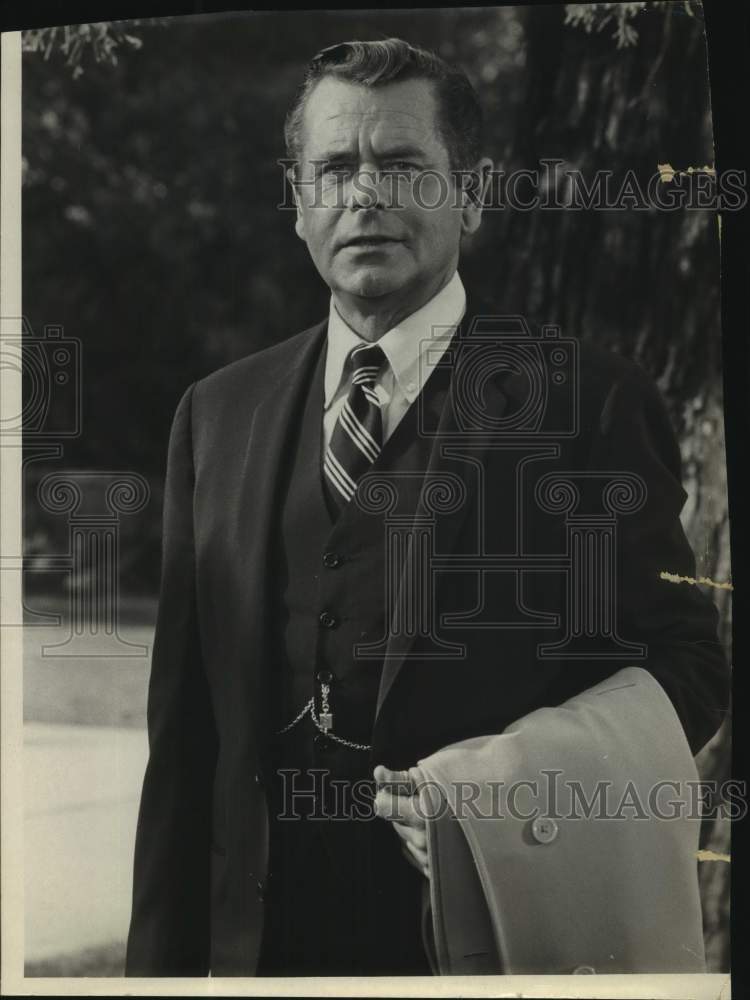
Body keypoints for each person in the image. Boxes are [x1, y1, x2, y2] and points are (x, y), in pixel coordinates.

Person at [125, 37, 729, 977]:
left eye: (403, 166)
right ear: (297, 202)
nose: (364, 195)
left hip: (481, 948)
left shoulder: (584, 404)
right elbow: (183, 748)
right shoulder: (217, 414)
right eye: (333, 169)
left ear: (474, 196)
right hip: (260, 956)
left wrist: (503, 790)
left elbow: (689, 666)